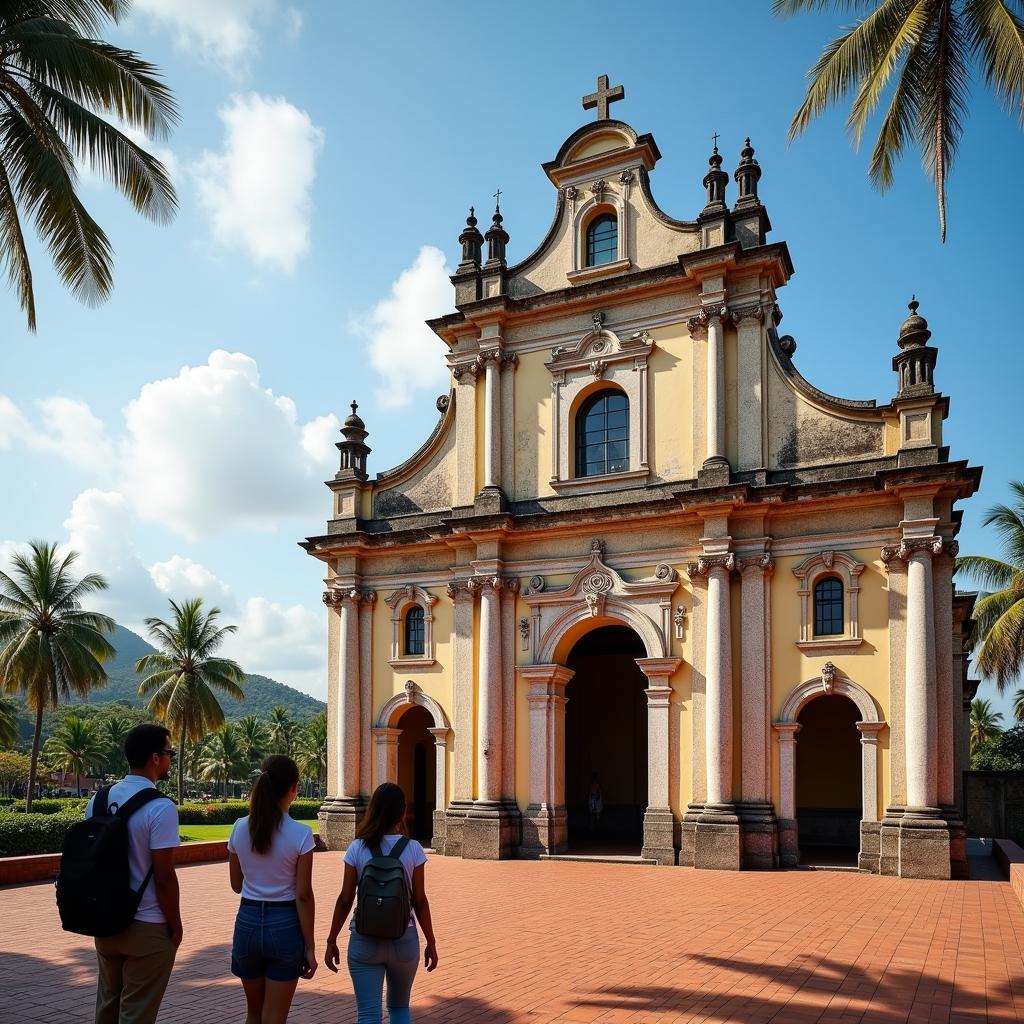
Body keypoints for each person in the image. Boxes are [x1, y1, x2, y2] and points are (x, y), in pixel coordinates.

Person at [86, 723, 182, 1024]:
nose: (170, 759)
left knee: (107, 1008)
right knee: (136, 1013)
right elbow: (165, 877)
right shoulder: (160, 807)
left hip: (104, 921)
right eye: (170, 753)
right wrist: (176, 927)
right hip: (147, 925)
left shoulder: (98, 800)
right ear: (155, 758)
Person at [325, 783, 438, 1023]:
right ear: (402, 812)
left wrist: (332, 939)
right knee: (399, 1008)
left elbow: (345, 899)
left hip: (365, 939)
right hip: (404, 939)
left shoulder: (357, 848)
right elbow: (420, 900)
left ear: (373, 810)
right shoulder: (414, 849)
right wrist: (430, 940)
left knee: (368, 1014)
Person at [227, 755, 317, 1024]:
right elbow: (303, 894)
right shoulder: (301, 834)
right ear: (293, 789)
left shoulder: (239, 828)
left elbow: (236, 885)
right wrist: (310, 946)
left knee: (253, 1014)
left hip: (248, 921)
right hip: (285, 924)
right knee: (275, 1018)